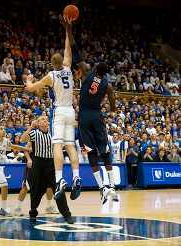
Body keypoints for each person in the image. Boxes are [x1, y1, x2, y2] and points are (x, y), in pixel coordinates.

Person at [25, 17, 81, 201]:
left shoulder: (51, 76)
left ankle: (60, 180)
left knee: (57, 145)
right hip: (71, 110)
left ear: (51, 63)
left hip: (58, 111)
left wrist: (28, 81)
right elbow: (68, 48)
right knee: (70, 145)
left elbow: (32, 89)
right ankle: (76, 177)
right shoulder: (69, 69)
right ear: (63, 61)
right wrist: (67, 29)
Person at [64, 17, 118, 204]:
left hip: (85, 116)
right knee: (105, 152)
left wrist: (69, 29)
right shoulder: (107, 84)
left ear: (95, 68)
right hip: (97, 115)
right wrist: (112, 109)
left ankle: (101, 187)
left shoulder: (87, 72)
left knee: (91, 154)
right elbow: (112, 99)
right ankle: (112, 187)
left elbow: (75, 47)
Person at [20, 116, 73, 224]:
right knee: (36, 190)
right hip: (38, 163)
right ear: (38, 123)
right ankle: (33, 212)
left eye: (46, 119)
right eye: (42, 119)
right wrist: (30, 127)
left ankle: (67, 215)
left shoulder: (53, 134)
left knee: (59, 189)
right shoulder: (35, 133)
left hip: (51, 164)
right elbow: (22, 139)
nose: (45, 121)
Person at [14, 140, 58, 216]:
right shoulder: (34, 137)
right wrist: (29, 159)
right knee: (26, 186)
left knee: (49, 186)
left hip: (45, 165)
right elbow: (26, 149)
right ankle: (17, 208)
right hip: (33, 165)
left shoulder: (50, 138)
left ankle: (49, 206)